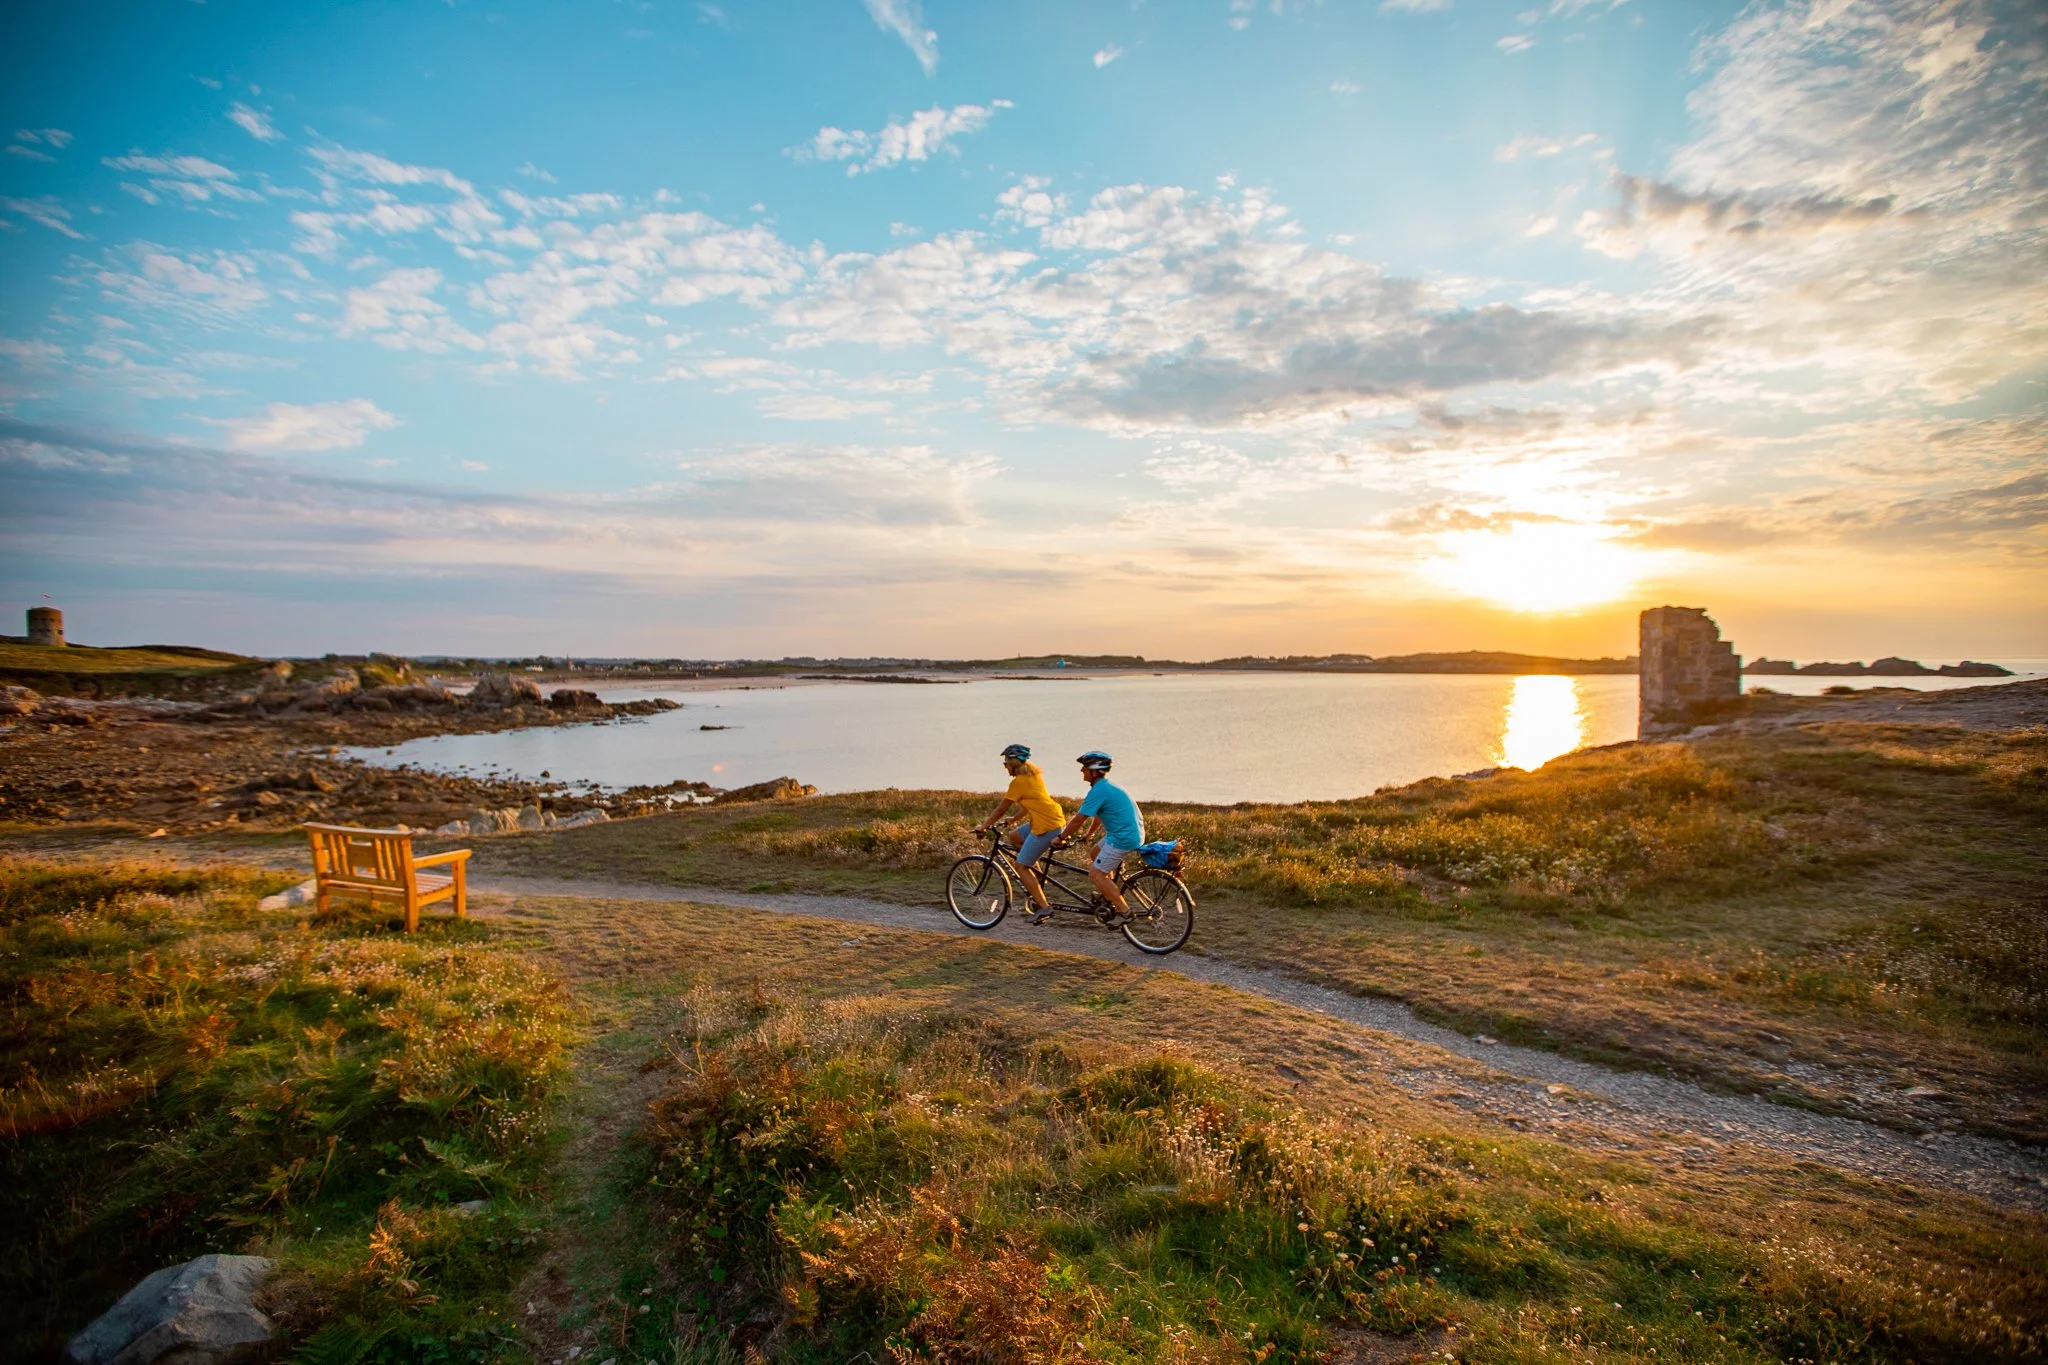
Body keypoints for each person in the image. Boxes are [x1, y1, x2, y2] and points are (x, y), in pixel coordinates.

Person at [972, 742, 1063, 919]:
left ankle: (1044, 908)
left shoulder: (1018, 782)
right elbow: (1032, 802)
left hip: (1046, 826)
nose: (1004, 766)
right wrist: (1014, 820)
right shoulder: (1034, 775)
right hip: (1050, 819)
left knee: (1020, 867)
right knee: (1015, 836)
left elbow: (1000, 809)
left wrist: (983, 826)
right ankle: (1036, 881)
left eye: (1005, 762)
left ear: (1013, 763)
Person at [1053, 749, 1144, 924]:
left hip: (1122, 838)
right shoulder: (1107, 786)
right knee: (1095, 853)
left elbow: (1078, 820)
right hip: (1127, 833)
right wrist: (1090, 834)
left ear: (1095, 771)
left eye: (1085, 768)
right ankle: (1108, 894)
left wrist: (1061, 837)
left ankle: (1124, 912)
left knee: (1096, 875)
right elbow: (1099, 814)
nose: (1082, 771)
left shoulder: (1098, 790)